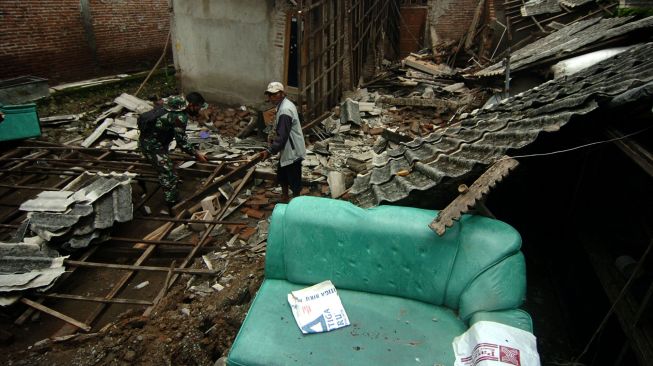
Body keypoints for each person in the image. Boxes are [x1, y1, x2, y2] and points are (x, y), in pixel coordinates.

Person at [138, 92, 208, 214]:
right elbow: (181, 142)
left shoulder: (175, 101)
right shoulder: (180, 117)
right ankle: (172, 205)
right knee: (168, 173)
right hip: (152, 145)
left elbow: (159, 102)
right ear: (191, 105)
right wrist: (197, 154)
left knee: (167, 164)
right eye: (198, 107)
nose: (199, 110)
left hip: (156, 140)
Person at [260, 82, 306, 202]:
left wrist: (270, 151)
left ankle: (296, 202)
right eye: (270, 95)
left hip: (292, 150)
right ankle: (285, 197)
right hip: (288, 148)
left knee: (294, 178)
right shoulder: (282, 105)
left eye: (274, 94)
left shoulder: (285, 109)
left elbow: (282, 136)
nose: (271, 97)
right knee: (282, 174)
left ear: (282, 94)